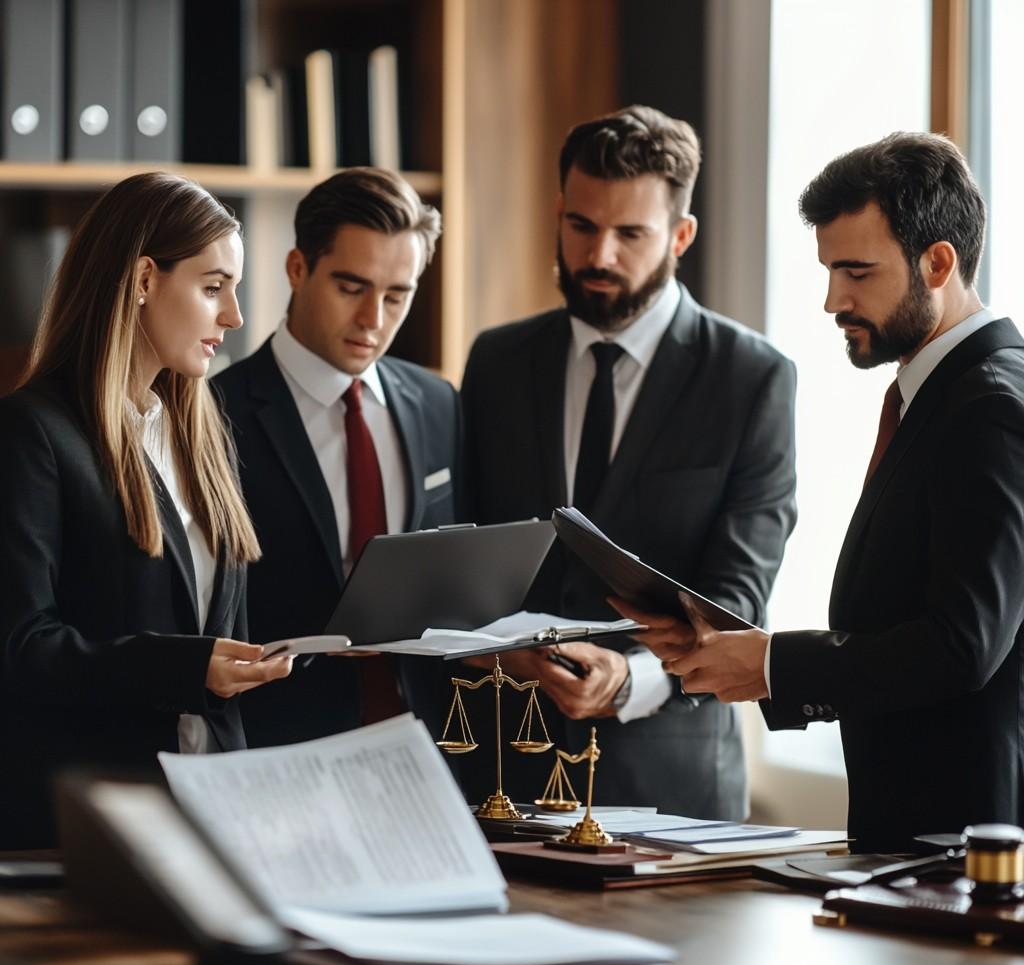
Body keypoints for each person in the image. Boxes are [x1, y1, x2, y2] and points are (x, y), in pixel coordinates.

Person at [619, 131, 1024, 851]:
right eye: (829, 270)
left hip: (966, 849)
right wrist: (744, 654)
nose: (833, 299)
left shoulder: (991, 405)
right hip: (926, 838)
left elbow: (963, 645)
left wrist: (775, 665)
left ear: (938, 263)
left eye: (857, 272)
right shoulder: (942, 396)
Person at [458, 106, 797, 818]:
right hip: (500, 777)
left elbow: (736, 600)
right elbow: (467, 554)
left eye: (630, 234)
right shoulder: (496, 362)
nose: (599, 255)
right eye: (581, 226)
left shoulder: (752, 378)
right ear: (558, 214)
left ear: (680, 236)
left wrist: (630, 678)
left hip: (671, 790)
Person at [0, 172, 292, 849]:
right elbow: (19, 650)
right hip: (93, 831)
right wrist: (183, 668)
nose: (235, 317)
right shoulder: (31, 434)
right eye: (214, 287)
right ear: (142, 280)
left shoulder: (198, 438)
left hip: (218, 821)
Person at [216, 168, 461, 746]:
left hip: (426, 742)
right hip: (276, 744)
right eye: (351, 287)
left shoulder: (437, 402)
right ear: (297, 269)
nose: (373, 320)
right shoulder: (213, 413)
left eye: (397, 295)